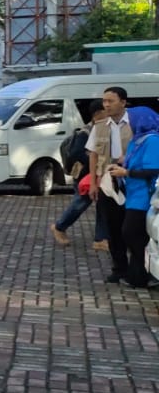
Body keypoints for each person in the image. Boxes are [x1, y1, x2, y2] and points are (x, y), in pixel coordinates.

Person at [107, 106, 159, 289]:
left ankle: (145, 273)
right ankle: (138, 275)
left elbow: (154, 169)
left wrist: (126, 171)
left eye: (132, 120)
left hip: (146, 196)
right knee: (134, 235)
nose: (129, 124)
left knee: (132, 233)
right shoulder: (136, 141)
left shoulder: (152, 141)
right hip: (133, 195)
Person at [88, 86, 131, 283]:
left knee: (132, 226)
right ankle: (119, 267)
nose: (106, 105)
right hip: (107, 181)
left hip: (132, 180)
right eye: (104, 101)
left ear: (123, 102)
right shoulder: (99, 126)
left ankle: (140, 266)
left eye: (110, 101)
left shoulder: (135, 123)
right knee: (112, 227)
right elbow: (93, 154)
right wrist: (93, 183)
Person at [51, 101, 106, 247]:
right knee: (80, 203)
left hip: (98, 174)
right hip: (85, 176)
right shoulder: (86, 131)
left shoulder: (103, 128)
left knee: (103, 206)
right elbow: (77, 153)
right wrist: (97, 161)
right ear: (98, 114)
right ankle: (59, 227)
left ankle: (100, 239)